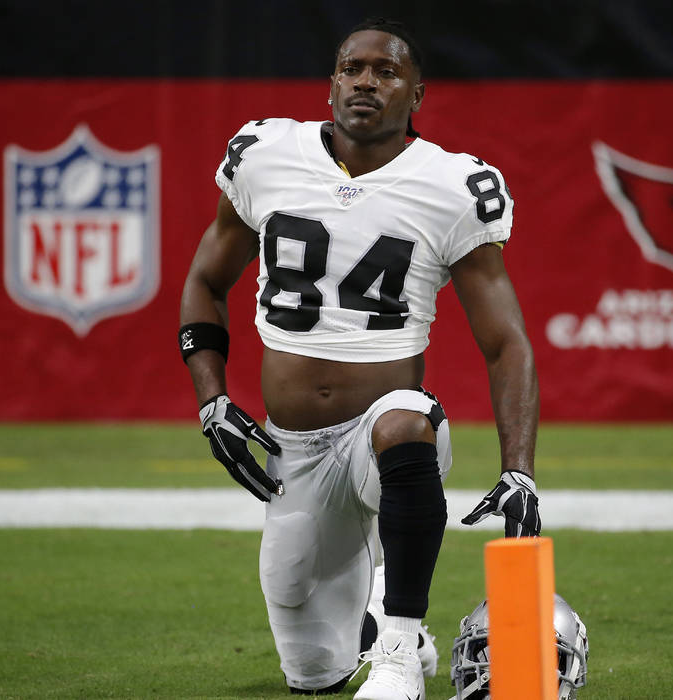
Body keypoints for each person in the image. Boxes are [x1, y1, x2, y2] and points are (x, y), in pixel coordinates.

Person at [179, 18, 542, 699]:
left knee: (405, 422)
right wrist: (212, 401)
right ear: (330, 85)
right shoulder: (265, 155)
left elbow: (506, 342)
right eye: (353, 68)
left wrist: (518, 470)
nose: (367, 82)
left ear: (417, 93)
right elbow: (204, 283)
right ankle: (374, 624)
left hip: (384, 427)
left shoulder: (451, 186)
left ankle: (400, 645)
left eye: (386, 71)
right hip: (295, 449)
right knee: (312, 672)